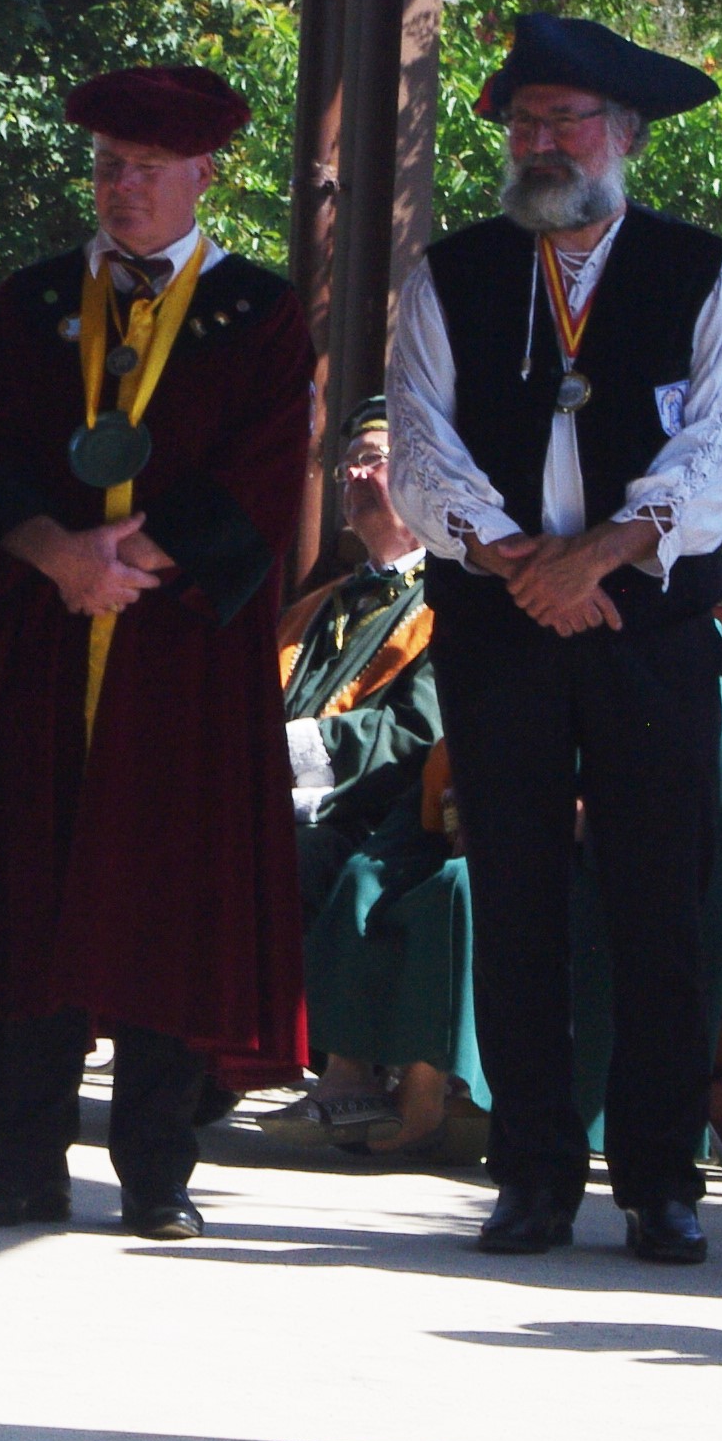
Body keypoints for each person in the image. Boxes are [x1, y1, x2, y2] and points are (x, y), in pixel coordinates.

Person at [385, 13, 722, 1265]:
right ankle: (532, 1172)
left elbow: (719, 450)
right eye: (523, 122)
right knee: (517, 896)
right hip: (501, 624)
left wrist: (597, 556)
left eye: (566, 121)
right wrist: (516, 562)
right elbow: (422, 443)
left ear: (626, 137)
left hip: (645, 622)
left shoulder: (705, 272)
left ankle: (660, 1178)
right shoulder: (449, 275)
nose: (541, 142)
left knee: (663, 898)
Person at [0, 67, 314, 1240]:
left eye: (146, 167)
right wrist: (55, 554)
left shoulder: (257, 311)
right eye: (106, 166)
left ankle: (156, 1169)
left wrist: (134, 563)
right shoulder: (35, 303)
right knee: (28, 886)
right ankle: (21, 1159)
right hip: (47, 631)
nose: (122, 186)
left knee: (167, 898)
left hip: (180, 645)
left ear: (203, 174)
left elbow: (263, 466)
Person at [275, 402, 456, 1153]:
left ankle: (316, 1070)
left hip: (373, 811)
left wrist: (281, 756)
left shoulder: (447, 603)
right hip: (291, 797)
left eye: (374, 458)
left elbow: (416, 732)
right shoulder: (326, 603)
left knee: (284, 858)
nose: (353, 472)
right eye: (348, 458)